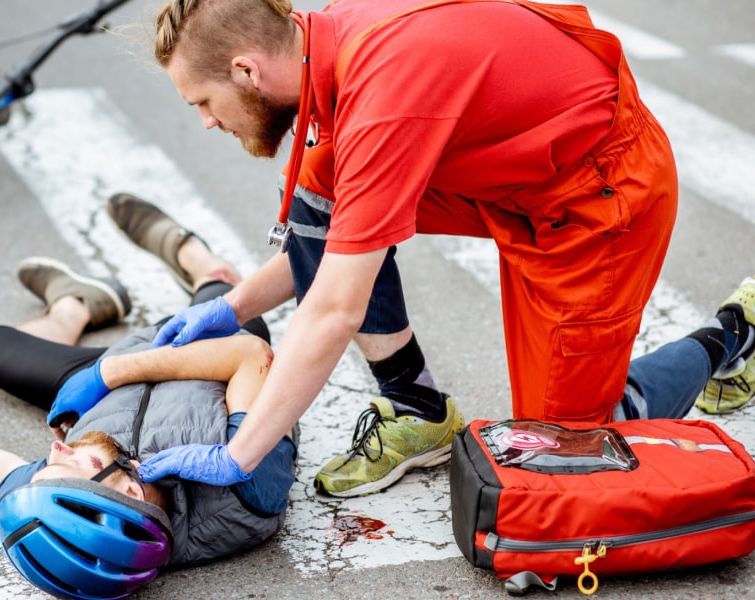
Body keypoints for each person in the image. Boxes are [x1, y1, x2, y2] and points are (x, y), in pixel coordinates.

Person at [129, 0, 755, 498]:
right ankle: (417, 407)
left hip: (600, 196)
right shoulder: (332, 38)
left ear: (245, 70)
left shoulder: (384, 96)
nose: (208, 122)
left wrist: (241, 454)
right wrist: (229, 310)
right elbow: (331, 236)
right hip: (519, 175)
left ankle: (733, 334)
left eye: (203, 103)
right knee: (323, 174)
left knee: (563, 448)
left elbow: (334, 307)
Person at [0, 193, 298, 600]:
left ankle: (73, 305)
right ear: (131, 491)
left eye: (45, 467)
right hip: (209, 347)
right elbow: (248, 356)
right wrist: (114, 372)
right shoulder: (249, 486)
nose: (55, 449)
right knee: (220, 293)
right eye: (66, 463)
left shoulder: (72, 497)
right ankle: (194, 256)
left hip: (108, 377)